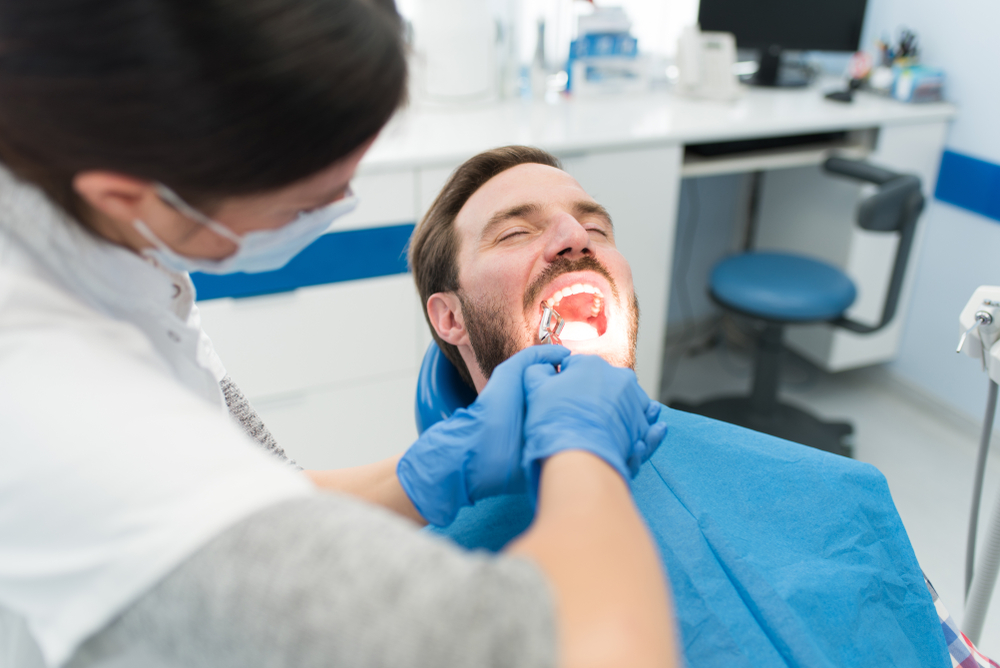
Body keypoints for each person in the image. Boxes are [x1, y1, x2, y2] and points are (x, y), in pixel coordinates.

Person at [0, 4, 678, 667]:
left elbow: (254, 481)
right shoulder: (53, 401)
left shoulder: (121, 245)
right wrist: (586, 455)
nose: (572, 240)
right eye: (304, 199)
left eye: (595, 226)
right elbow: (584, 649)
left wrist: (417, 476)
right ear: (128, 196)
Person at [408, 145, 965, 667]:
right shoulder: (416, 598)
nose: (576, 238)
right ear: (450, 318)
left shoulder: (839, 489)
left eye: (596, 227)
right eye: (515, 232)